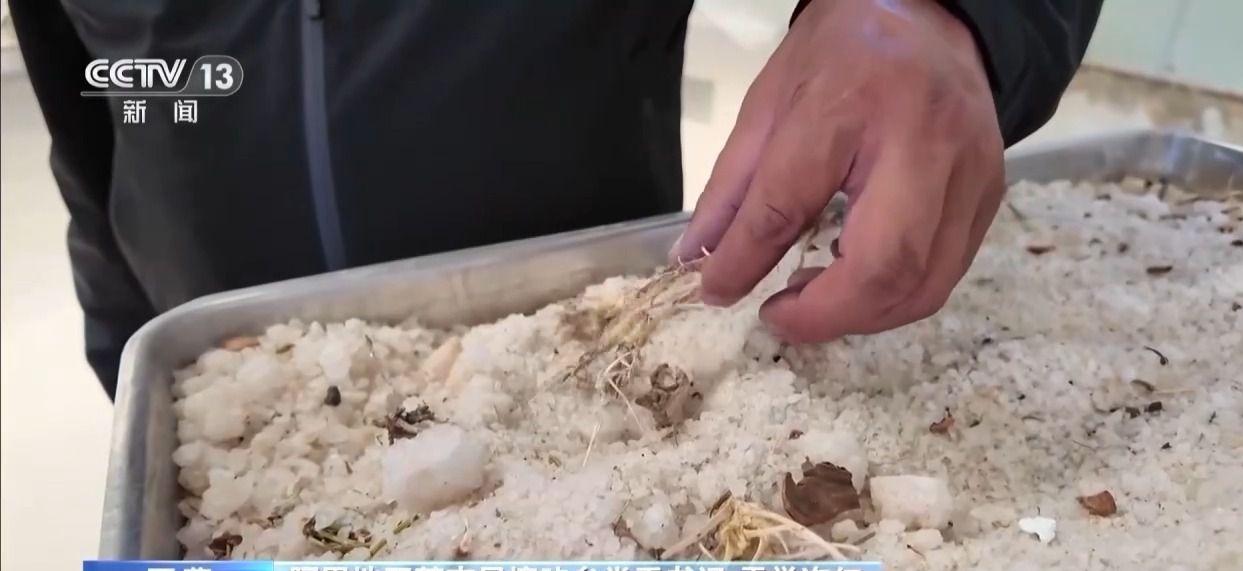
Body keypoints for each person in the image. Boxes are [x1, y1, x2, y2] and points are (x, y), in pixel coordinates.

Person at [10, 0, 1102, 399]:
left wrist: (944, 13)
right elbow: (87, 105)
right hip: (229, 398)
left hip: (577, 374)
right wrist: (128, 358)